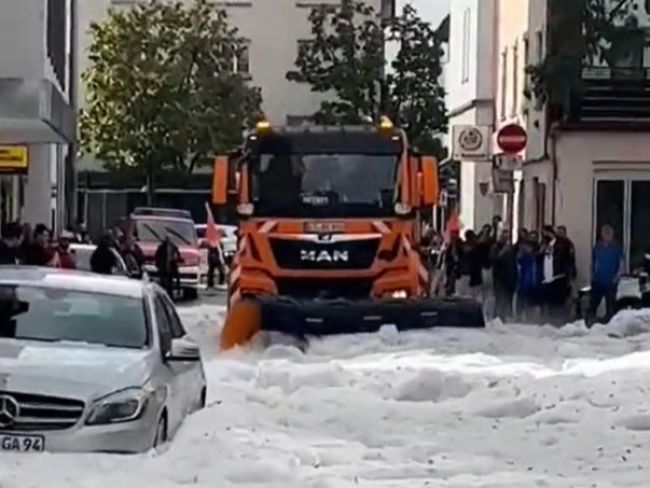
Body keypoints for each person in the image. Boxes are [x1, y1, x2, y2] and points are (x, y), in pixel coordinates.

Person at [588, 224, 624, 326]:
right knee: (593, 303)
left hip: (611, 281)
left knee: (610, 305)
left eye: (609, 234)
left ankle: (610, 324)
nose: (607, 236)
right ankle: (590, 322)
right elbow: (595, 263)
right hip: (598, 280)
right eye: (605, 233)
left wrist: (617, 277)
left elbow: (621, 264)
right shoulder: (598, 247)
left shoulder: (617, 247)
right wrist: (593, 276)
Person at [539, 225, 574, 325]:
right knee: (549, 301)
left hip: (558, 276)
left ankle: (558, 321)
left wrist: (569, 274)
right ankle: (549, 320)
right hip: (547, 277)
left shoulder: (563, 244)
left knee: (558, 301)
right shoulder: (546, 244)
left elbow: (568, 260)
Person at [491, 229, 517, 321]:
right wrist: (503, 252)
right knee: (500, 299)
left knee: (506, 300)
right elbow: (493, 259)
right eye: (504, 236)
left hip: (509, 278)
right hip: (500, 278)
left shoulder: (511, 249)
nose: (506, 239)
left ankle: (503, 318)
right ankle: (497, 318)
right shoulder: (496, 247)